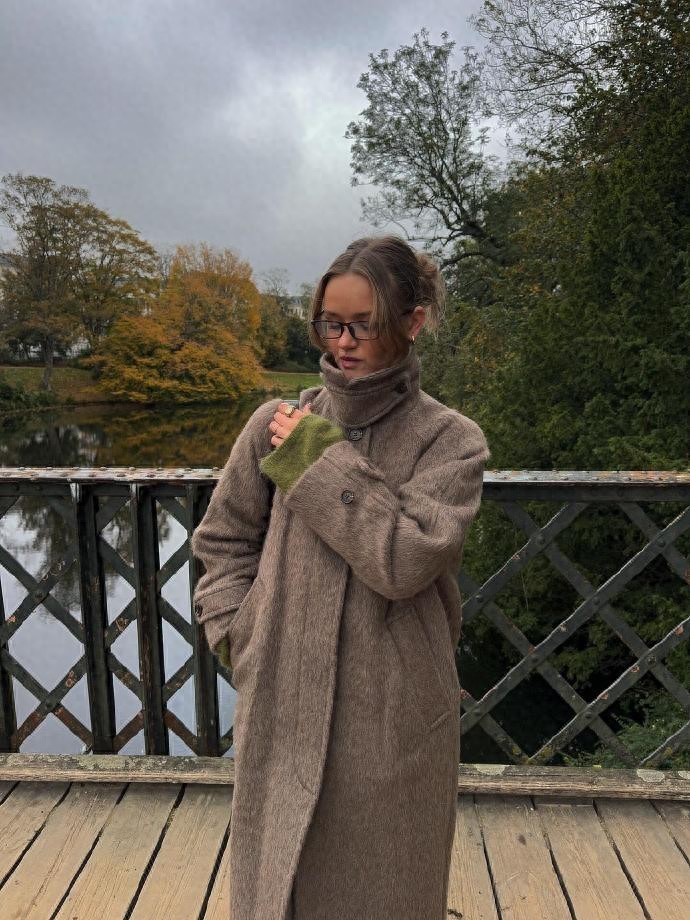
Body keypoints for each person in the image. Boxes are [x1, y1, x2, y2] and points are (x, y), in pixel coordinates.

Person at [191, 235, 490, 920]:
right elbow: (222, 540)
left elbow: (405, 560)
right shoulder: (273, 424)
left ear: (412, 322)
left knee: (384, 891)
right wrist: (241, 635)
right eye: (330, 323)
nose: (343, 342)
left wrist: (317, 461)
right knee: (279, 889)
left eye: (364, 324)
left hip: (393, 715)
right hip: (279, 697)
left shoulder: (451, 441)